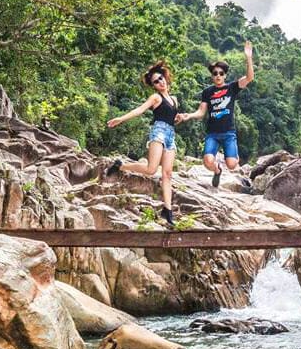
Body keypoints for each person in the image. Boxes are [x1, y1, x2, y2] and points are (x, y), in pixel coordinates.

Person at [104, 61, 178, 226]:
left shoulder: (174, 99)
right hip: (158, 132)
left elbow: (172, 118)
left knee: (167, 174)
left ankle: (168, 211)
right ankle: (120, 166)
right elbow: (140, 110)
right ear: (153, 86)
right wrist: (121, 119)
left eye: (161, 78)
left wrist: (179, 118)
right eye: (156, 81)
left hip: (171, 136)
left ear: (165, 77)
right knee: (151, 170)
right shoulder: (155, 97)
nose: (160, 82)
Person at [176, 40, 254, 187]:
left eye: (221, 73)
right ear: (212, 75)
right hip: (213, 133)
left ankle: (231, 157)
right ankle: (217, 170)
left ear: (225, 75)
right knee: (207, 161)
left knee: (231, 165)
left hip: (229, 133)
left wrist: (248, 57)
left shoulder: (232, 88)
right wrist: (188, 116)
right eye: (215, 73)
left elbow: (249, 78)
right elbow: (201, 112)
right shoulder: (208, 92)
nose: (218, 75)